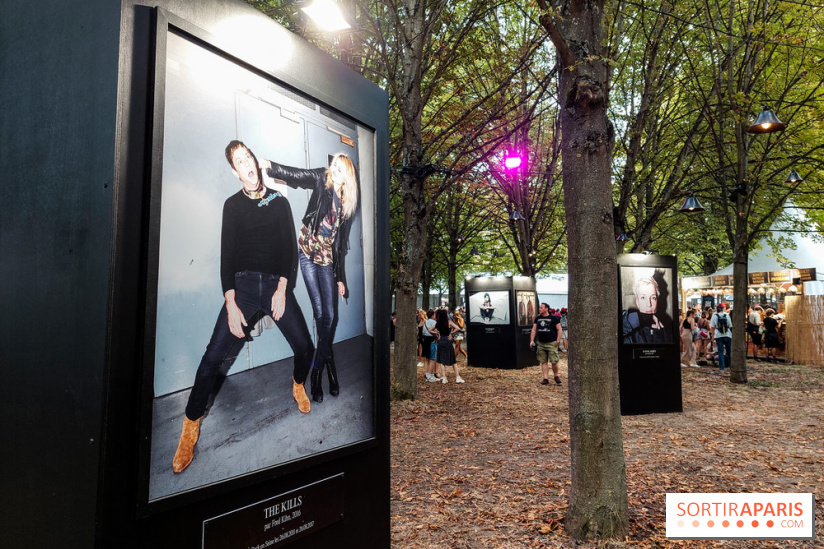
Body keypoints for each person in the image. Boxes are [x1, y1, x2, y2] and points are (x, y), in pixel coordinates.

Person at [172, 140, 315, 475]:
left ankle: (297, 383)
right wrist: (231, 301)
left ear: (254, 161)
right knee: (211, 358)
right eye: (239, 161)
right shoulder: (231, 206)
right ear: (234, 172)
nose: (246, 164)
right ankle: (190, 426)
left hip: (274, 286)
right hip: (245, 287)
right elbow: (227, 258)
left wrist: (282, 289)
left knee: (305, 347)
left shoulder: (279, 202)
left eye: (248, 157)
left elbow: (288, 253)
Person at [260, 153, 359, 403]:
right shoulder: (321, 180)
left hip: (325, 259)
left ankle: (320, 369)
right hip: (306, 253)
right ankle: (326, 372)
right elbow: (298, 174)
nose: (334, 170)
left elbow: (340, 246)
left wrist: (340, 278)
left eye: (340, 168)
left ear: (347, 176)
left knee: (330, 316)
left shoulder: (346, 207)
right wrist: (271, 166)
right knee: (319, 313)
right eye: (333, 165)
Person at [621, 276, 672, 344]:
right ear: (637, 302)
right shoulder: (629, 329)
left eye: (653, 298)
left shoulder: (666, 330)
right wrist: (645, 318)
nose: (649, 304)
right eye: (643, 297)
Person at [530, 303, 564, 385]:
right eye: (539, 308)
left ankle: (556, 376)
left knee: (554, 361)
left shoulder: (554, 318)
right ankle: (545, 378)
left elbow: (559, 329)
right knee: (543, 361)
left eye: (541, 308)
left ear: (546, 309)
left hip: (551, 343)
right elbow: (534, 329)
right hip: (541, 343)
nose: (539, 309)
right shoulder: (538, 318)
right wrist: (532, 340)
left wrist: (558, 341)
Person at [433, 309, 464, 383]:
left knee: (442, 360)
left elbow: (430, 330)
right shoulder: (449, 322)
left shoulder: (438, 323)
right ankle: (457, 377)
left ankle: (444, 378)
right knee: (453, 359)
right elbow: (458, 328)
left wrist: (437, 334)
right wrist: (451, 333)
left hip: (440, 341)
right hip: (448, 340)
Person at [709, 304, 732, 371]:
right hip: (727, 335)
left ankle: (722, 367)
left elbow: (712, 327)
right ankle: (730, 365)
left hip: (718, 335)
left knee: (720, 351)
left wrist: (712, 336)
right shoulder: (727, 315)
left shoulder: (714, 315)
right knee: (728, 351)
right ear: (723, 308)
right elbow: (730, 325)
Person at [421, 309, 439, 382]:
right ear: (432, 315)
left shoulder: (425, 323)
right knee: (432, 358)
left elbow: (423, 332)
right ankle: (431, 375)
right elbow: (437, 331)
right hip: (432, 340)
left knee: (427, 358)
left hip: (426, 341)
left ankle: (427, 374)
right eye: (434, 315)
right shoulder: (435, 322)